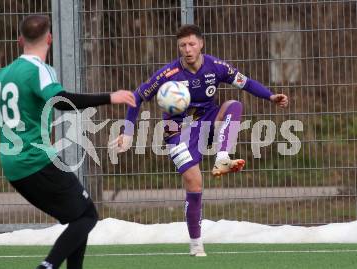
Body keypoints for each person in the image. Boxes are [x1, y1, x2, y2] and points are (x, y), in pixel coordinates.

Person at [0, 15, 136, 269]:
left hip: (12, 166)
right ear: (50, 38)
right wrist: (111, 97)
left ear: (20, 40)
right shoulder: (39, 70)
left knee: (79, 216)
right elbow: (63, 101)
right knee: (87, 216)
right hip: (35, 160)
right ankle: (47, 266)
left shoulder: (3, 75)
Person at [111, 24, 288, 256]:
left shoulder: (216, 67)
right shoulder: (168, 74)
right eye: (182, 45)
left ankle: (222, 157)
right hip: (177, 130)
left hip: (208, 120)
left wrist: (270, 96)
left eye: (192, 44)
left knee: (234, 105)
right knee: (194, 183)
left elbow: (246, 82)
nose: (187, 49)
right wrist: (128, 132)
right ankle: (196, 243)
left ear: (201, 44)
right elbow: (138, 96)